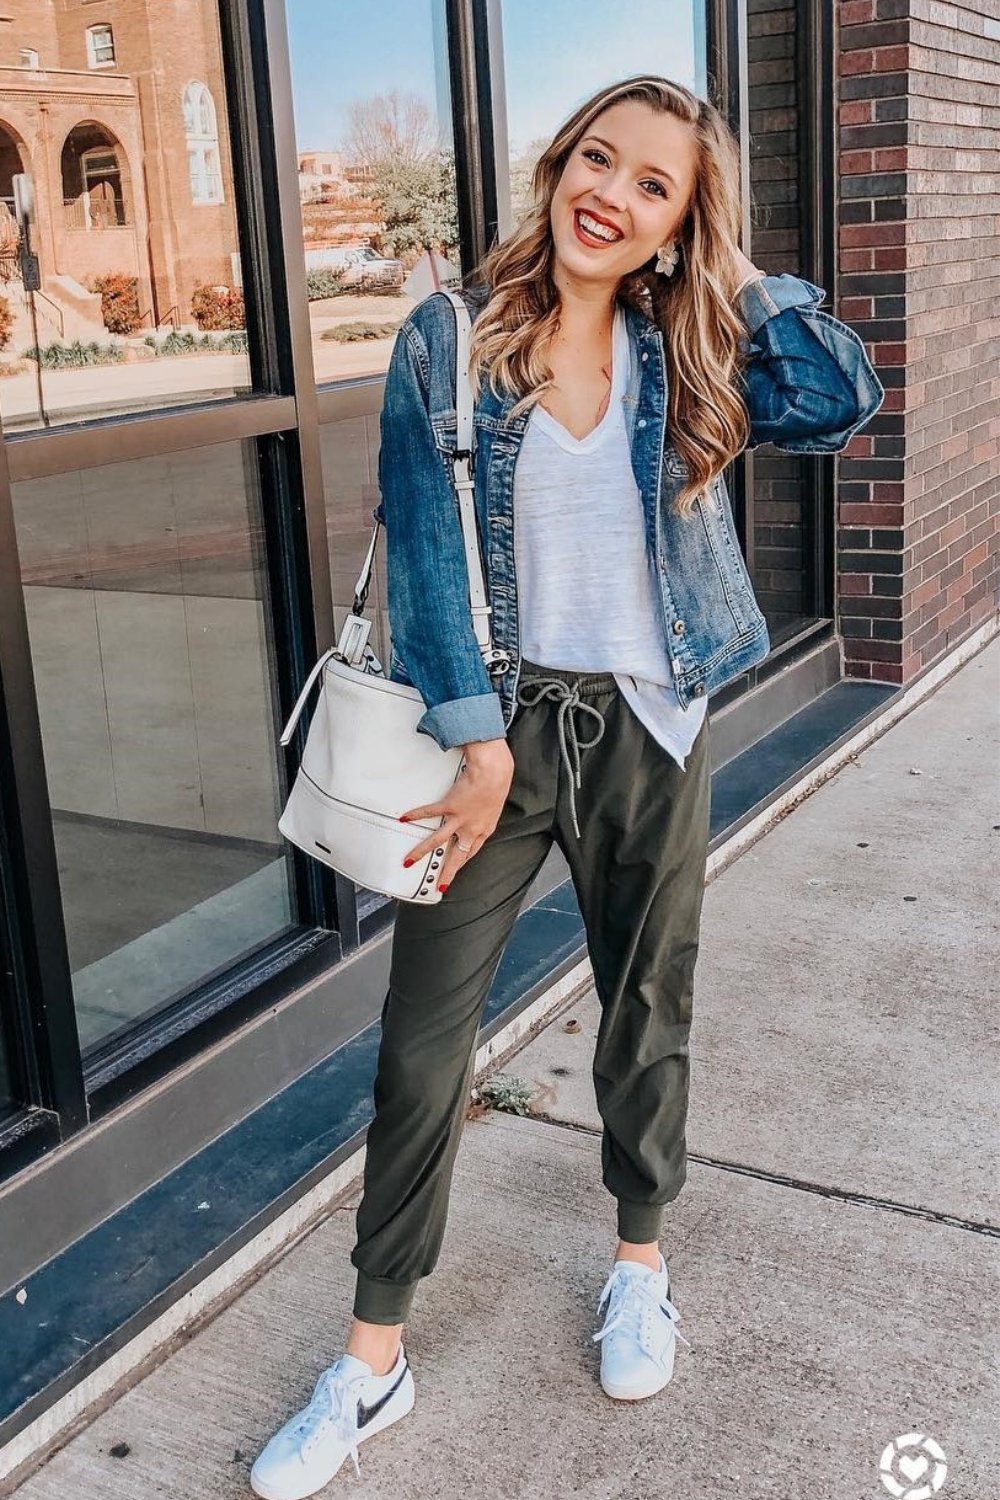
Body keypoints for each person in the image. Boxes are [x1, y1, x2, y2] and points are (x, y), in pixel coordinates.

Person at [250, 74, 883, 1499]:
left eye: (656, 185)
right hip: (495, 738)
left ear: (679, 224)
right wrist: (479, 750)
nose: (614, 192)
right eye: (600, 159)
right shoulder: (451, 340)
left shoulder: (687, 345)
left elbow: (841, 396)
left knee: (646, 1014)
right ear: (557, 166)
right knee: (422, 1050)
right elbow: (423, 557)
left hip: (653, 723)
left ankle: (640, 1267)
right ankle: (372, 1360)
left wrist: (725, 266)